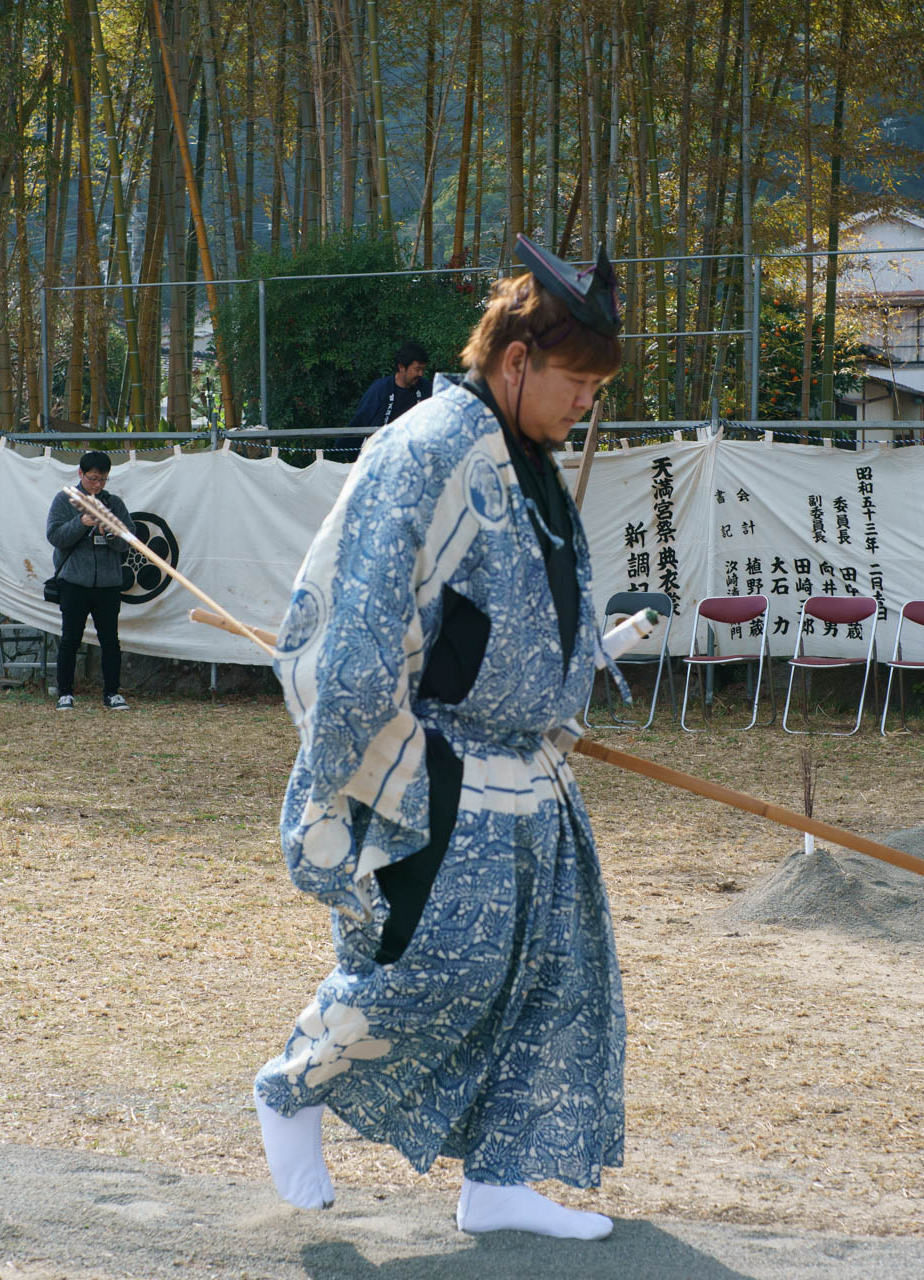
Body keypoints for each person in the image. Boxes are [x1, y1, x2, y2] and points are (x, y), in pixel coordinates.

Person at [253, 235, 626, 1241]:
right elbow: (358, 626)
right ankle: (294, 1088)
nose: (588, 400)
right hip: (434, 765)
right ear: (518, 361)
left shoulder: (532, 462)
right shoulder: (424, 447)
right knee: (436, 969)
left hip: (526, 766)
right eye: (579, 380)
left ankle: (499, 1179)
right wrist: (384, 772)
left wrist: (559, 692)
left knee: (543, 969)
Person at [44, 451, 135, 711]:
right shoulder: (64, 499)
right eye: (93, 478)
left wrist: (109, 533)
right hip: (73, 581)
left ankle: (112, 693)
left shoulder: (114, 503)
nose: (97, 485)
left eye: (103, 480)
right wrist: (82, 522)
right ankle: (65, 693)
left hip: (108, 583)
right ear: (80, 474)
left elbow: (128, 541)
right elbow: (55, 536)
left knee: (110, 640)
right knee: (70, 638)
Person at [347, 340, 433, 429]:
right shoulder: (381, 388)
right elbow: (359, 422)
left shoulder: (426, 389)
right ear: (401, 367)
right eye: (417, 369)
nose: (420, 374)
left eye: (423, 370)